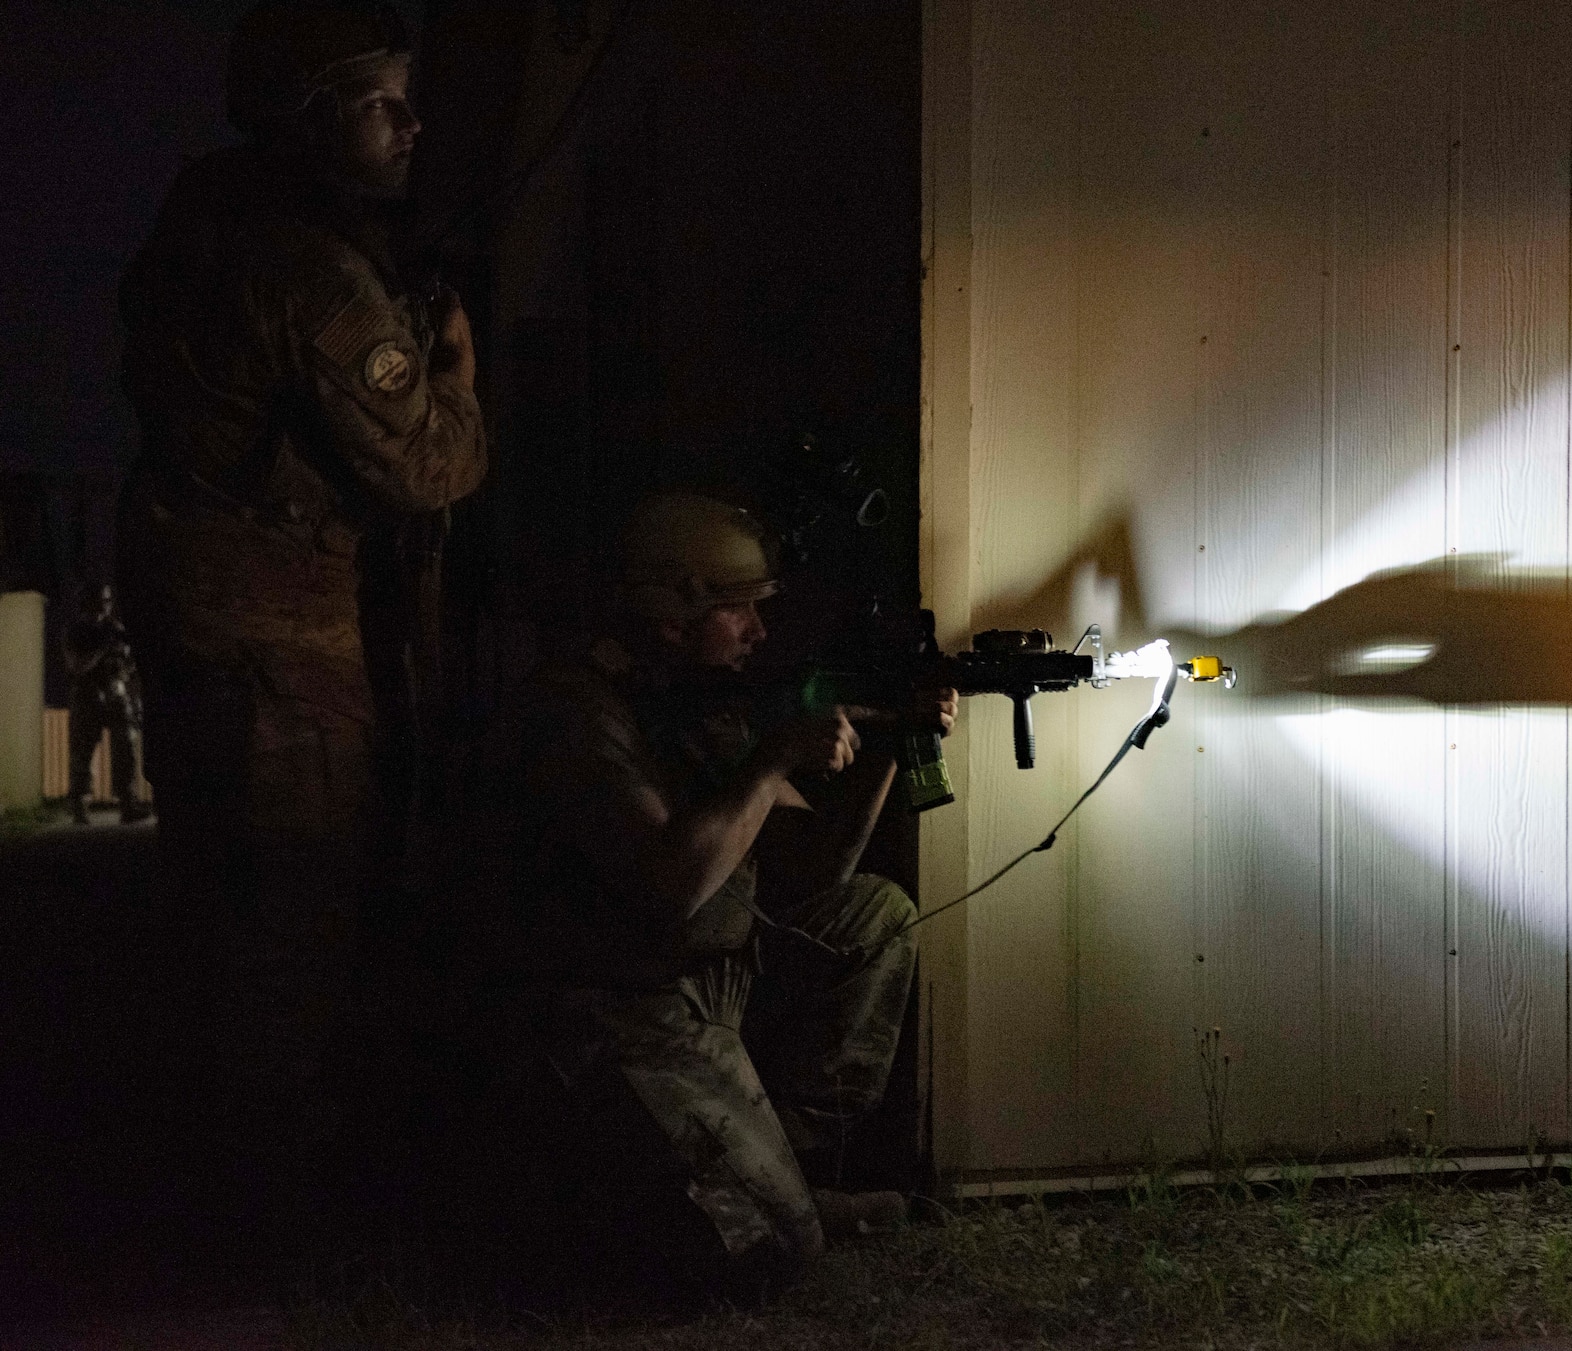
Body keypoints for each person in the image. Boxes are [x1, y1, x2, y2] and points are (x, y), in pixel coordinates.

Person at [114, 0, 486, 1261]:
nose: (411, 124)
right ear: (314, 112)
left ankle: (204, 1180)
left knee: (214, 906)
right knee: (298, 915)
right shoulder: (313, 268)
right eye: (383, 102)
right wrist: (452, 365)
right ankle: (274, 1225)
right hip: (281, 640)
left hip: (201, 616)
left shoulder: (199, 216)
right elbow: (426, 467)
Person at [500, 492, 953, 1295]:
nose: (759, 632)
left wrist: (887, 747)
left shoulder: (692, 701)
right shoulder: (575, 713)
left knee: (871, 918)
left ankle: (788, 1164)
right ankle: (745, 1200)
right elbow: (668, 885)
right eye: (739, 611)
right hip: (617, 1015)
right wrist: (770, 761)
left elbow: (818, 876)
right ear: (674, 615)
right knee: (780, 1251)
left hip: (709, 983)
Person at [62, 583, 147, 826]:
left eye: (108, 600)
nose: (106, 605)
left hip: (115, 694)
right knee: (83, 751)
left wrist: (126, 668)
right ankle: (79, 805)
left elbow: (129, 663)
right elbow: (76, 667)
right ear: (88, 602)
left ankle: (128, 804)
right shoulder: (76, 630)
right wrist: (103, 649)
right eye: (101, 600)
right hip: (87, 695)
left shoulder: (115, 629)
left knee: (125, 747)